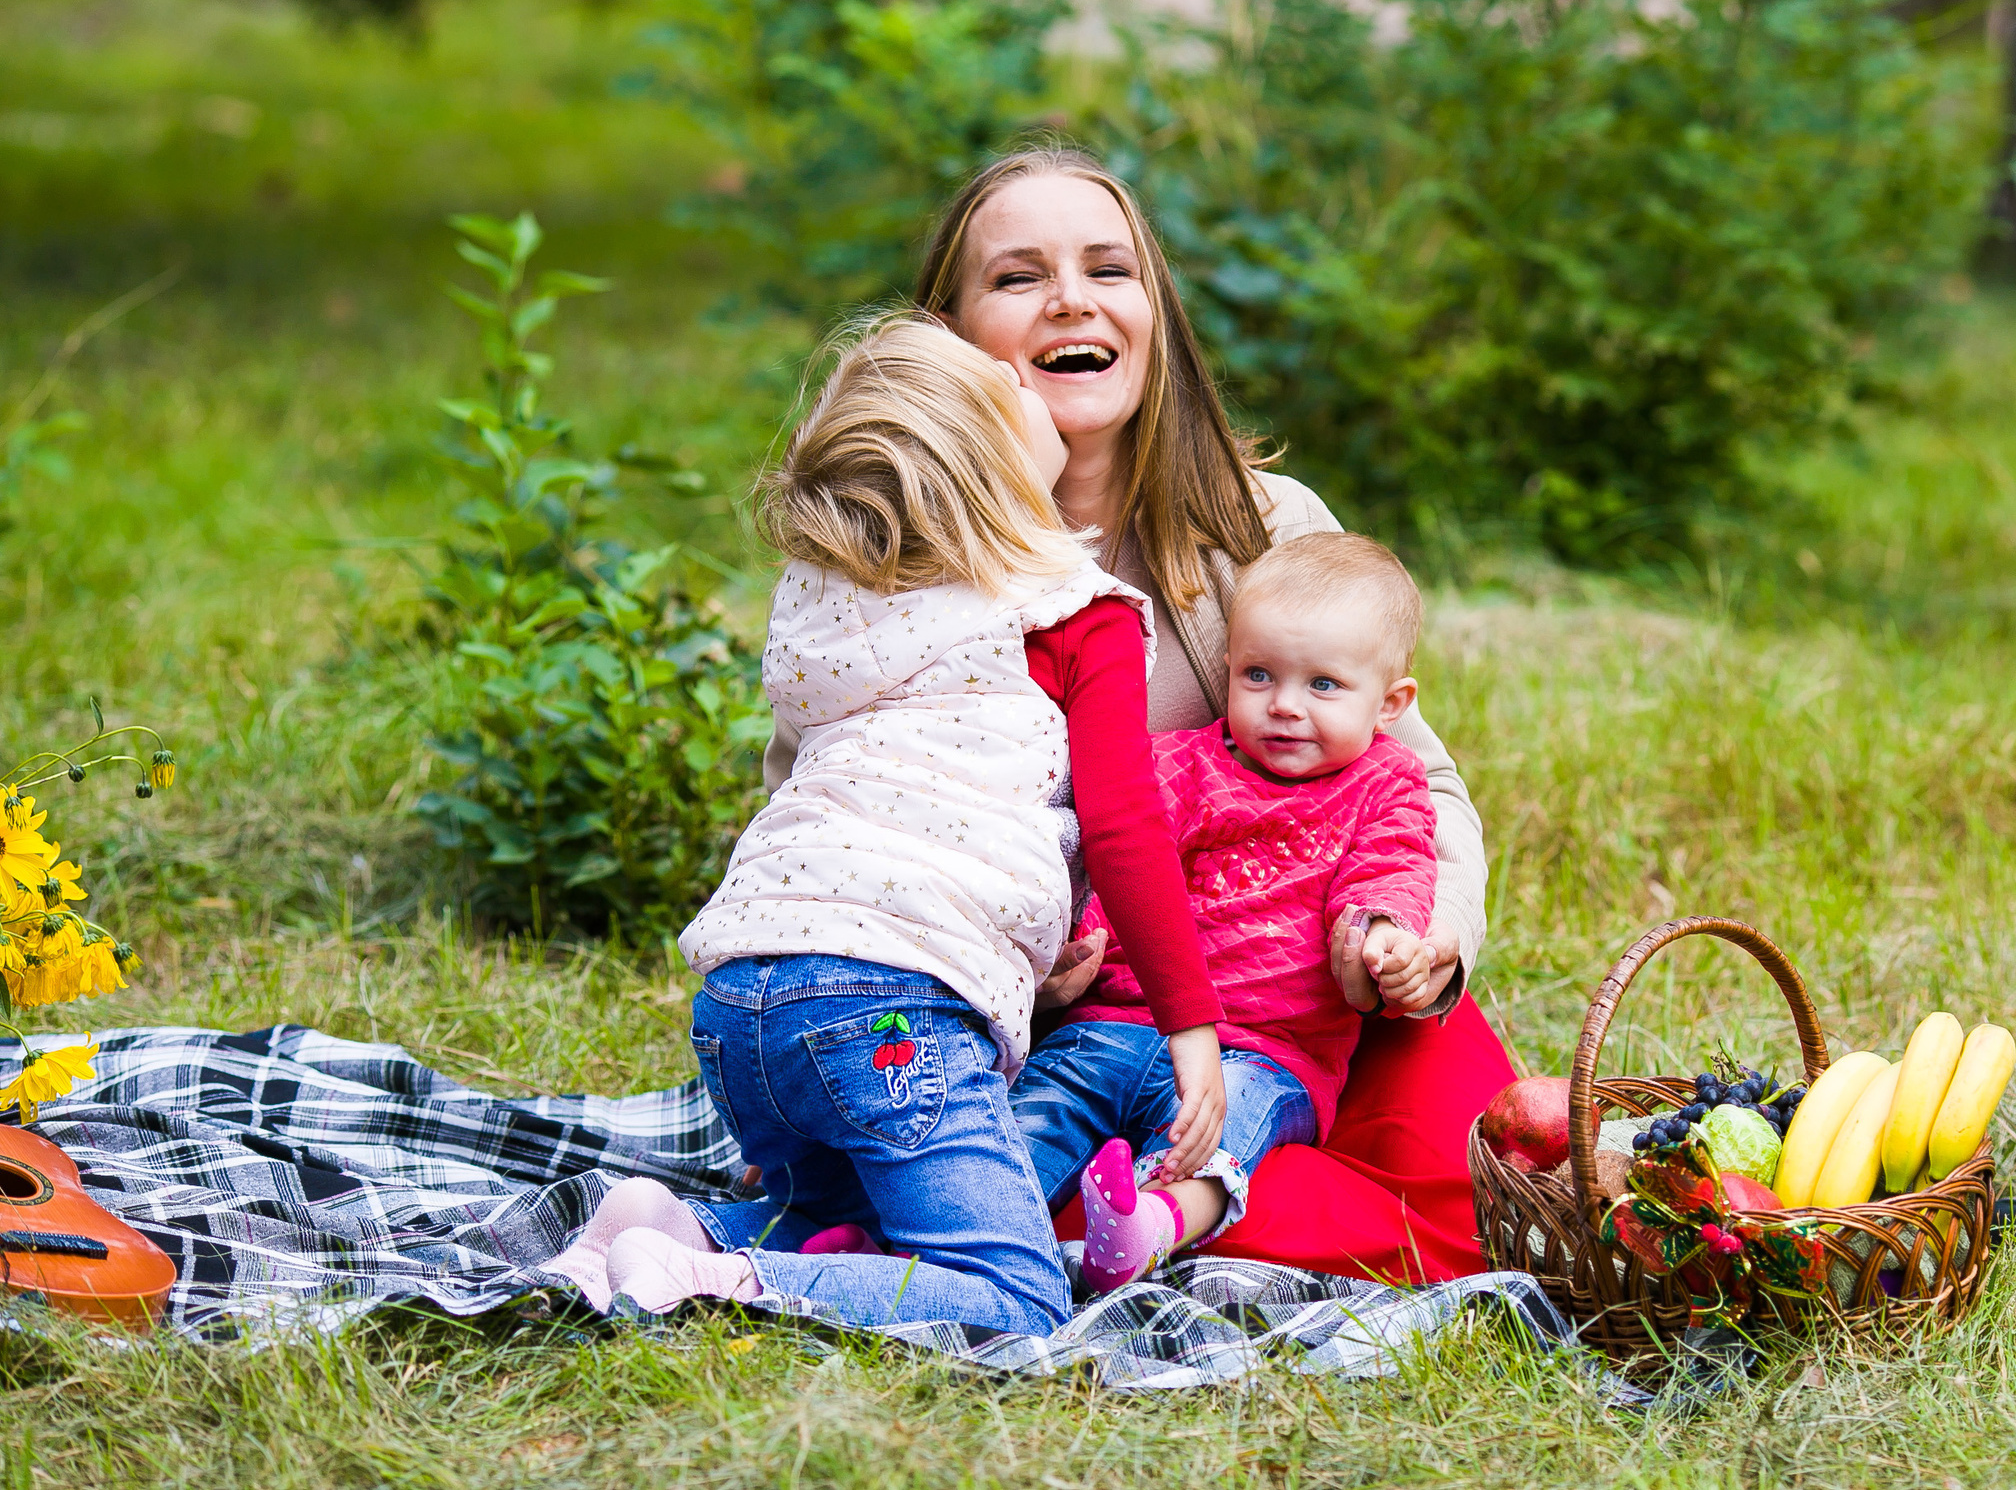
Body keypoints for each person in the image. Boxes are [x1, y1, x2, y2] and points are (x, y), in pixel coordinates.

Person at [760, 143, 1520, 1282]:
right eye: (1019, 278)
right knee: (990, 1147)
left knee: (1472, 1191)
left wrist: (1425, 943)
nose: (1071, 298)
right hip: (1031, 1013)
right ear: (950, 335)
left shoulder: (1262, 527)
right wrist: (1018, 956)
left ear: (1151, 313)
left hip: (1290, 1001)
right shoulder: (893, 557)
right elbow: (814, 811)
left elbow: (1421, 787)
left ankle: (1111, 1220)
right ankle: (1044, 1227)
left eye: (1107, 269)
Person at [543, 313, 1228, 1329]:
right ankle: (722, 1279)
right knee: (1016, 1293)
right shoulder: (1075, 611)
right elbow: (1125, 824)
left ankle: (667, 1228)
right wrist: (1192, 1027)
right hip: (890, 1013)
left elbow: (898, 811)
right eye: (1009, 393)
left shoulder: (836, 613)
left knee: (846, 1225)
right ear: (995, 464)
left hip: (740, 1003)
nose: (1028, 385)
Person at [1011, 532, 1439, 1292]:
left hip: (1269, 1049)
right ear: (1228, 668)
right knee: (1036, 1111)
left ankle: (1147, 1223)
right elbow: (1118, 869)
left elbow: (1392, 867)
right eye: (1259, 674)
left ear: (1392, 703)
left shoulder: (1386, 784)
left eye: (1324, 686)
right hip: (1116, 1022)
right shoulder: (1180, 765)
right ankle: (946, 1229)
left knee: (1226, 1130)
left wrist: (1382, 937)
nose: (1284, 706)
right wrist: (1073, 947)